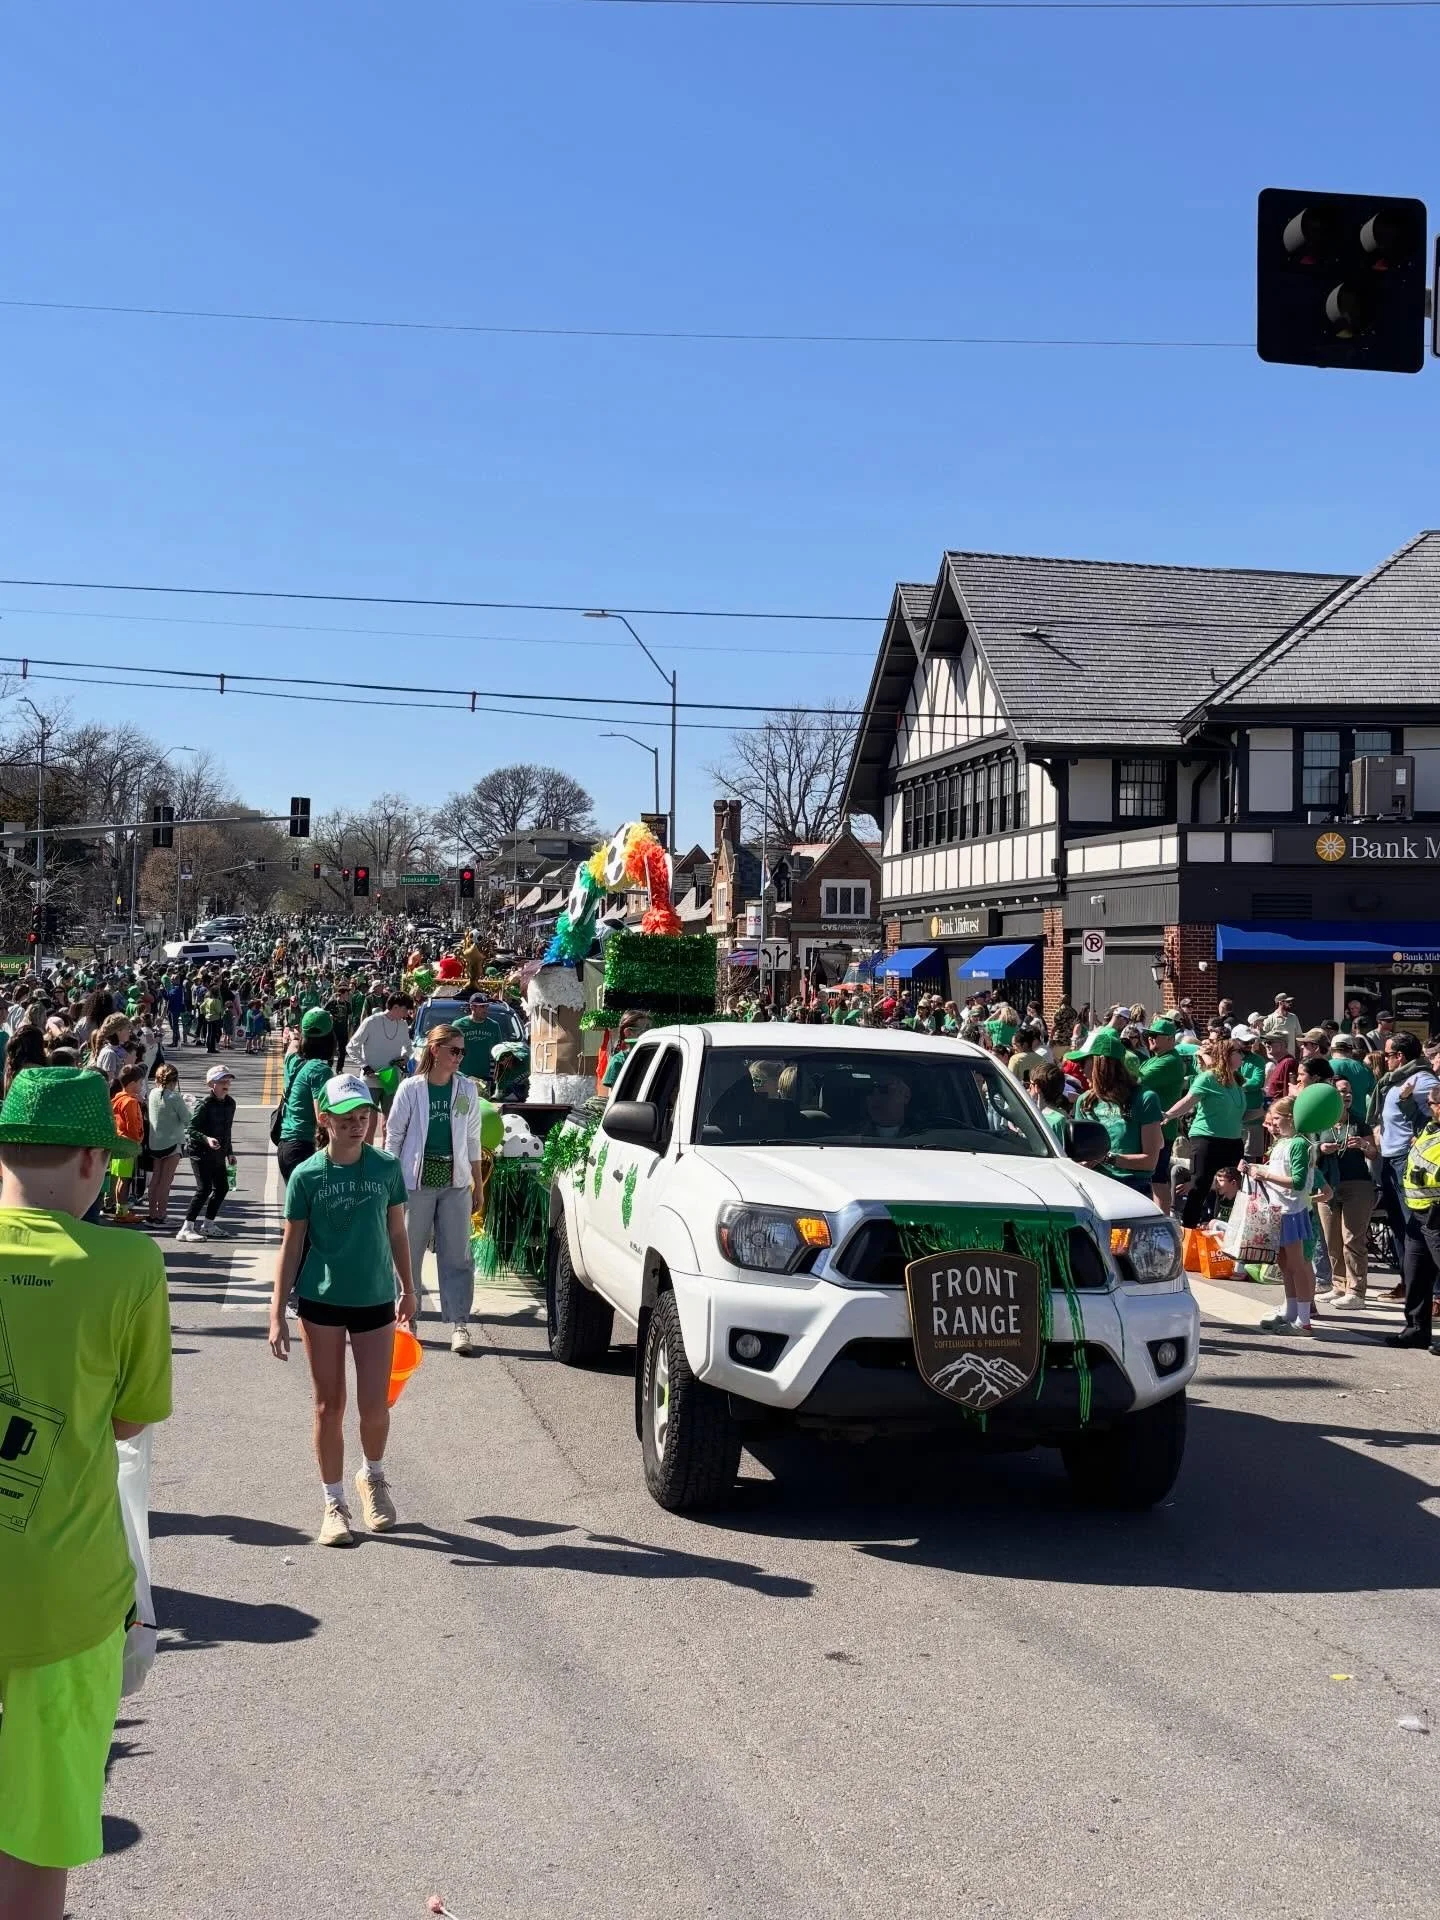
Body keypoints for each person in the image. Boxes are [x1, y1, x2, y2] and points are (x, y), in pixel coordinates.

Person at [0, 1067, 171, 1918]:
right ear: (88, 1163)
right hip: (67, 1593)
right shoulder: (128, 1263)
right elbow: (132, 1424)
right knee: (38, 1837)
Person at [269, 1074, 416, 1545]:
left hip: (374, 1299)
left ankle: (372, 1476)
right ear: (324, 1119)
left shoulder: (386, 1168)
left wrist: (409, 1289)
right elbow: (291, 1247)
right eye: (347, 1118)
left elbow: (397, 1232)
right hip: (321, 1303)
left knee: (375, 1408)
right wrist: (276, 1313)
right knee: (329, 1406)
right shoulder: (308, 1175)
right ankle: (333, 1503)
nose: (357, 1125)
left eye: (364, 1116)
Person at [384, 1024, 487, 1355]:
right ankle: (408, 1318)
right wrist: (390, 1182)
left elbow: (473, 1139)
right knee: (408, 1253)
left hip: (454, 1182)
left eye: (462, 1052)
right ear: (435, 1050)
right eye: (453, 1051)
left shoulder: (466, 1090)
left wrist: (477, 1183)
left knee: (458, 1255)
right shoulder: (411, 1089)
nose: (459, 1057)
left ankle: (459, 1323)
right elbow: (394, 1137)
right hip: (415, 1183)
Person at [1241, 1094, 1320, 1335]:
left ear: (1289, 1118)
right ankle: (1292, 1312)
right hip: (1278, 1211)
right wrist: (1255, 1169)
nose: (1272, 1123)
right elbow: (1277, 1171)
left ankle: (1304, 1321)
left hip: (1292, 1213)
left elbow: (1297, 1182)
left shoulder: (1298, 1144)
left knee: (1297, 1266)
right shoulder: (1283, 1143)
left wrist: (1264, 1175)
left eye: (1276, 1118)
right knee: (1285, 1266)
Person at [1165, 1037, 1248, 1227]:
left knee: (1232, 1187)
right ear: (1226, 1056)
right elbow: (1188, 1101)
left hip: (1233, 1141)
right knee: (1200, 1186)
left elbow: (1238, 1114)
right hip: (1207, 1139)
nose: (1242, 1055)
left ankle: (1225, 1229)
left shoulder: (1235, 1081)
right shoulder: (1208, 1078)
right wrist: (1168, 1115)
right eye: (1238, 1052)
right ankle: (1189, 1230)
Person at [1069, 1031, 1163, 1197]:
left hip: (1132, 1187)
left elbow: (1149, 1162)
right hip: (1093, 1185)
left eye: (1083, 1062)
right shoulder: (1084, 1101)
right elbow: (1079, 1153)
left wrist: (1105, 1158)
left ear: (1100, 1064)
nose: (1079, 1068)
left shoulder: (1145, 1098)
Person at [1315, 1076, 1378, 1308]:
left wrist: (1363, 1145)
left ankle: (1356, 1291)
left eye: (1349, 1090)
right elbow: (1309, 1148)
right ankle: (1338, 1285)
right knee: (1332, 1240)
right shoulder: (1321, 1122)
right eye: (1342, 1091)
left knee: (1353, 1238)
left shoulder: (1359, 1122)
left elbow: (1373, 1153)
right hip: (1329, 1185)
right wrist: (1321, 1148)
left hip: (1357, 1185)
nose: (1347, 1095)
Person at [1387, 1080, 1440, 1352]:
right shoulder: (1431, 1128)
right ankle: (1417, 1330)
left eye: (1431, 1103)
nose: (1428, 1108)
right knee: (1416, 1272)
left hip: (1437, 1213)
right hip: (1418, 1214)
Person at [176, 1064, 236, 1244]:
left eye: (228, 1080)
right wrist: (206, 1138)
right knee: (204, 1189)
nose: (226, 1084)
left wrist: (230, 1152)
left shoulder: (230, 1103)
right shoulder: (204, 1104)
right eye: (222, 1081)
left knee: (222, 1188)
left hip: (218, 1154)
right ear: (211, 1084)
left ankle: (208, 1225)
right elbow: (192, 1129)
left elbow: (227, 1130)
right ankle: (186, 1228)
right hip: (200, 1152)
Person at [277, 1009, 335, 1188]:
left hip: (286, 1145)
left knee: (296, 1211)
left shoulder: (294, 1062)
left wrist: (295, 1037)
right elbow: (322, 1117)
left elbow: (292, 1048)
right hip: (304, 1148)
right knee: (311, 1212)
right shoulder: (320, 1070)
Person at [343, 991, 414, 1139]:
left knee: (390, 1123)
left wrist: (405, 1058)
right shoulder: (371, 1021)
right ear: (395, 1007)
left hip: (390, 1079)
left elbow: (409, 1047)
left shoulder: (402, 1025)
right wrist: (365, 1066)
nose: (407, 1013)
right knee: (369, 1122)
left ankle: (385, 1155)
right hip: (371, 1080)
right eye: (405, 1009)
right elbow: (351, 1047)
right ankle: (367, 1156)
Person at [1137, 1017, 1188, 1212]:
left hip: (1161, 1129)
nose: (1150, 1039)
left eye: (1155, 1036)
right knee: (1153, 1178)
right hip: (1149, 1126)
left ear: (1169, 1039)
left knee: (1158, 1179)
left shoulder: (1170, 1061)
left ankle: (1164, 1217)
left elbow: (1138, 1079)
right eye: (1149, 1035)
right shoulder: (1155, 1058)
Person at [145, 1062, 190, 1228]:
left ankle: (152, 1214)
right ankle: (161, 1216)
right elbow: (187, 1119)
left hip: (155, 1142)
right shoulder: (175, 1097)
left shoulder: (152, 1094)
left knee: (156, 1179)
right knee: (166, 1181)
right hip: (172, 1143)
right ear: (174, 1080)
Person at [108, 1062, 147, 1226]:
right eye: (140, 1083)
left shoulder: (117, 1098)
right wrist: (138, 1139)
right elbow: (132, 1125)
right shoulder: (130, 1102)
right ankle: (121, 1211)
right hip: (128, 1143)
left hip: (118, 1141)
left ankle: (118, 1207)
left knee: (118, 1178)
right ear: (132, 1084)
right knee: (125, 1179)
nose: (141, 1085)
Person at [454, 991, 502, 1082]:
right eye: (482, 1006)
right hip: (462, 1075)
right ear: (472, 1007)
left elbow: (498, 1052)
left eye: (486, 1006)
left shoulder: (493, 1026)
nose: (485, 1010)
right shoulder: (459, 1025)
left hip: (485, 1076)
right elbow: (451, 1049)